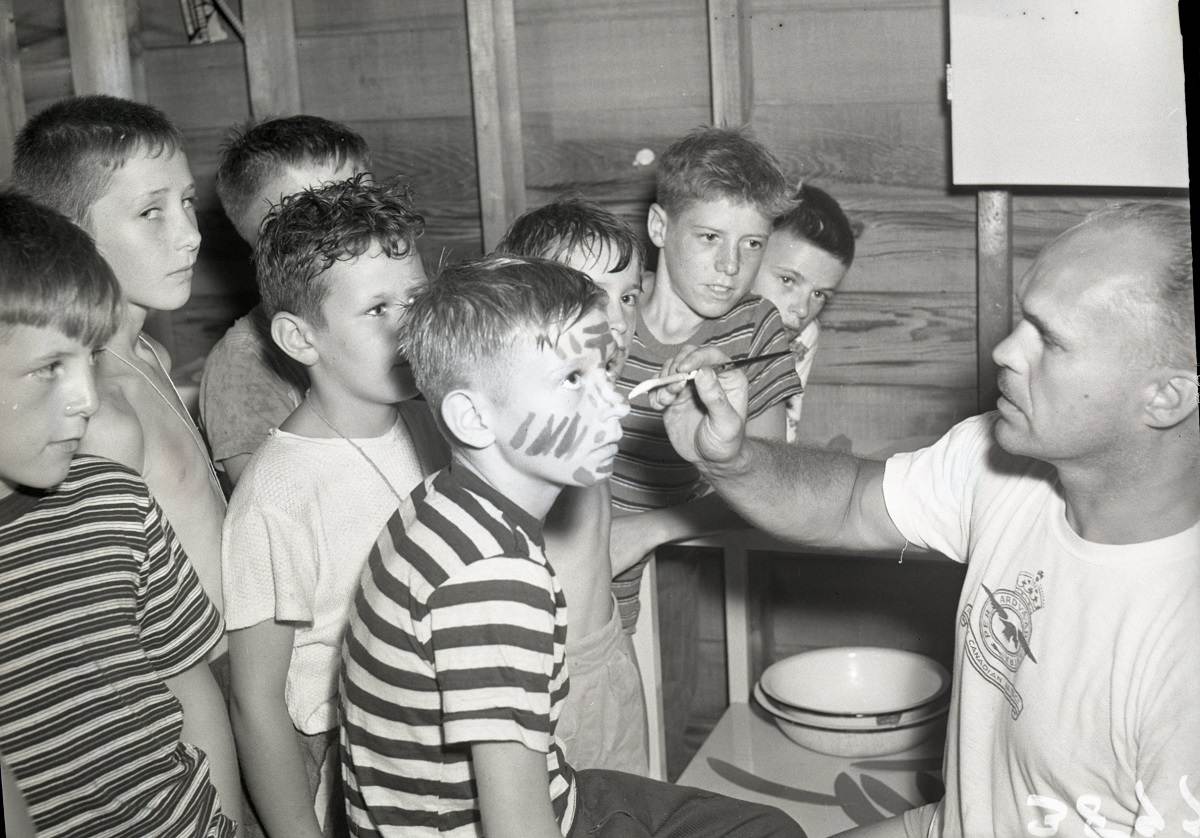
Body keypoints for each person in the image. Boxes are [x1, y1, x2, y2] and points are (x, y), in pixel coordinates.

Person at [656, 201, 1200, 838]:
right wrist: (733, 459)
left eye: (1048, 340)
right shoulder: (998, 462)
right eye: (1023, 319)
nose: (1005, 350)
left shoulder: (1182, 648)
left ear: (1165, 397)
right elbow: (849, 503)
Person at [339, 255, 805, 838]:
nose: (614, 402)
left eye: (607, 371)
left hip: (556, 792)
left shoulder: (441, 500)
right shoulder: (495, 579)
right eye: (572, 380)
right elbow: (516, 826)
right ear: (473, 418)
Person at [0, 190, 244, 837]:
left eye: (87, 360)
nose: (85, 398)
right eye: (50, 367)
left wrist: (223, 821)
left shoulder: (114, 496)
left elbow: (188, 682)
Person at [222, 175, 448, 838]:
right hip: (362, 776)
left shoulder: (434, 423)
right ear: (299, 339)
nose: (410, 326)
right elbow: (256, 700)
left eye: (416, 299)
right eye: (378, 310)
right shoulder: (279, 495)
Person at [11, 95, 228, 636]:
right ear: (69, 232)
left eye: (187, 201)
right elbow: (108, 615)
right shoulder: (98, 416)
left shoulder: (150, 354)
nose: (190, 234)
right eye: (151, 212)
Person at [609, 125, 804, 633]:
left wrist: (644, 531)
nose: (730, 266)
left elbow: (770, 486)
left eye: (752, 243)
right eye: (710, 237)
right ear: (658, 226)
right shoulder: (607, 306)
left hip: (668, 571)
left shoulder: (754, 327)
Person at [494, 197, 650, 773]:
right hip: (546, 675)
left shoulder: (596, 409)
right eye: (589, 294)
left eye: (629, 296)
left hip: (607, 647)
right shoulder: (523, 428)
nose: (617, 320)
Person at [200, 115, 371, 489]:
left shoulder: (406, 312)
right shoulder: (242, 366)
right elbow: (273, 518)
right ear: (265, 246)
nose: (351, 231)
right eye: (313, 220)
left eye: (363, 205)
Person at [751, 183, 855, 441]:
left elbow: (781, 439)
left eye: (819, 295)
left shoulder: (803, 335)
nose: (802, 309)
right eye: (787, 280)